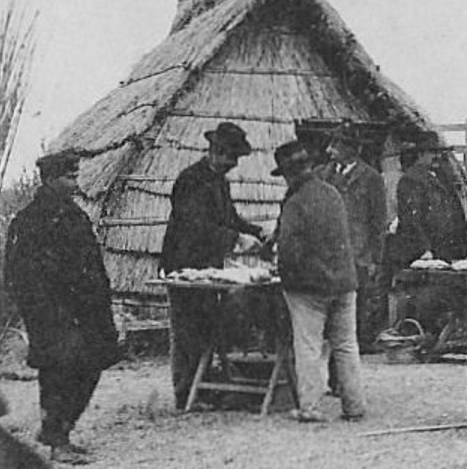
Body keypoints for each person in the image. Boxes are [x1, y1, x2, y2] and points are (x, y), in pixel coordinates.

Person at [4, 151, 122, 463]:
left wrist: (99, 301)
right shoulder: (29, 221)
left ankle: (58, 430)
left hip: (84, 311)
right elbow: (17, 275)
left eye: (75, 176)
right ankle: (58, 441)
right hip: (52, 313)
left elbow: (91, 265)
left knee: (93, 363)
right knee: (59, 372)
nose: (75, 182)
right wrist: (44, 312)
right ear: (50, 179)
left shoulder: (75, 216)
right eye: (69, 177)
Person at [159, 121, 266, 408]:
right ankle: (185, 394)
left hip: (207, 265)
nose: (232, 164)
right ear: (216, 152)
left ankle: (203, 387)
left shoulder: (220, 181)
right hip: (184, 264)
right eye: (229, 157)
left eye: (236, 159)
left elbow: (230, 218)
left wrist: (256, 231)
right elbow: (196, 226)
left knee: (206, 324)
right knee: (186, 329)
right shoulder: (190, 180)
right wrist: (236, 239)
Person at [270, 142, 364, 423]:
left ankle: (310, 407)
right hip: (344, 281)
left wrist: (283, 275)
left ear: (290, 175)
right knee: (346, 344)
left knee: (308, 346)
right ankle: (354, 405)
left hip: (309, 287)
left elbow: (288, 250)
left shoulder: (295, 202)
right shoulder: (332, 193)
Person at [322, 123, 389, 354]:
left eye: (336, 145)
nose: (330, 150)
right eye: (331, 144)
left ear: (352, 149)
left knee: (356, 304)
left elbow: (379, 222)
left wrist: (374, 259)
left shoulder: (371, 178)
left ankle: (354, 348)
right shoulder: (324, 175)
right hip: (329, 253)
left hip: (357, 253)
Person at [392, 132, 467, 265]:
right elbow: (411, 220)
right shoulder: (411, 180)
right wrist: (424, 250)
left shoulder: (441, 177)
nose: (438, 157)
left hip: (444, 251)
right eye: (433, 153)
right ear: (421, 154)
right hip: (425, 254)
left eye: (439, 153)